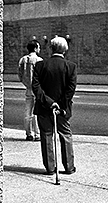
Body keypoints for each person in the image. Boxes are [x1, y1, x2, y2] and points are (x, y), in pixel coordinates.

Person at [32, 36, 77, 175]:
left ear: (51, 48)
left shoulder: (40, 65)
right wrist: (60, 105)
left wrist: (50, 103)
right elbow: (70, 89)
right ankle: (69, 166)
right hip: (62, 110)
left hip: (44, 108)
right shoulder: (70, 66)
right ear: (65, 50)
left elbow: (36, 87)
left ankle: (50, 168)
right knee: (65, 135)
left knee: (46, 135)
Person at [18, 40, 43, 141]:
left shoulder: (23, 60)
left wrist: (26, 83)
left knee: (28, 111)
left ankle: (29, 133)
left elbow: (20, 75)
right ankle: (37, 134)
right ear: (36, 48)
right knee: (36, 112)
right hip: (37, 89)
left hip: (28, 89)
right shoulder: (39, 60)